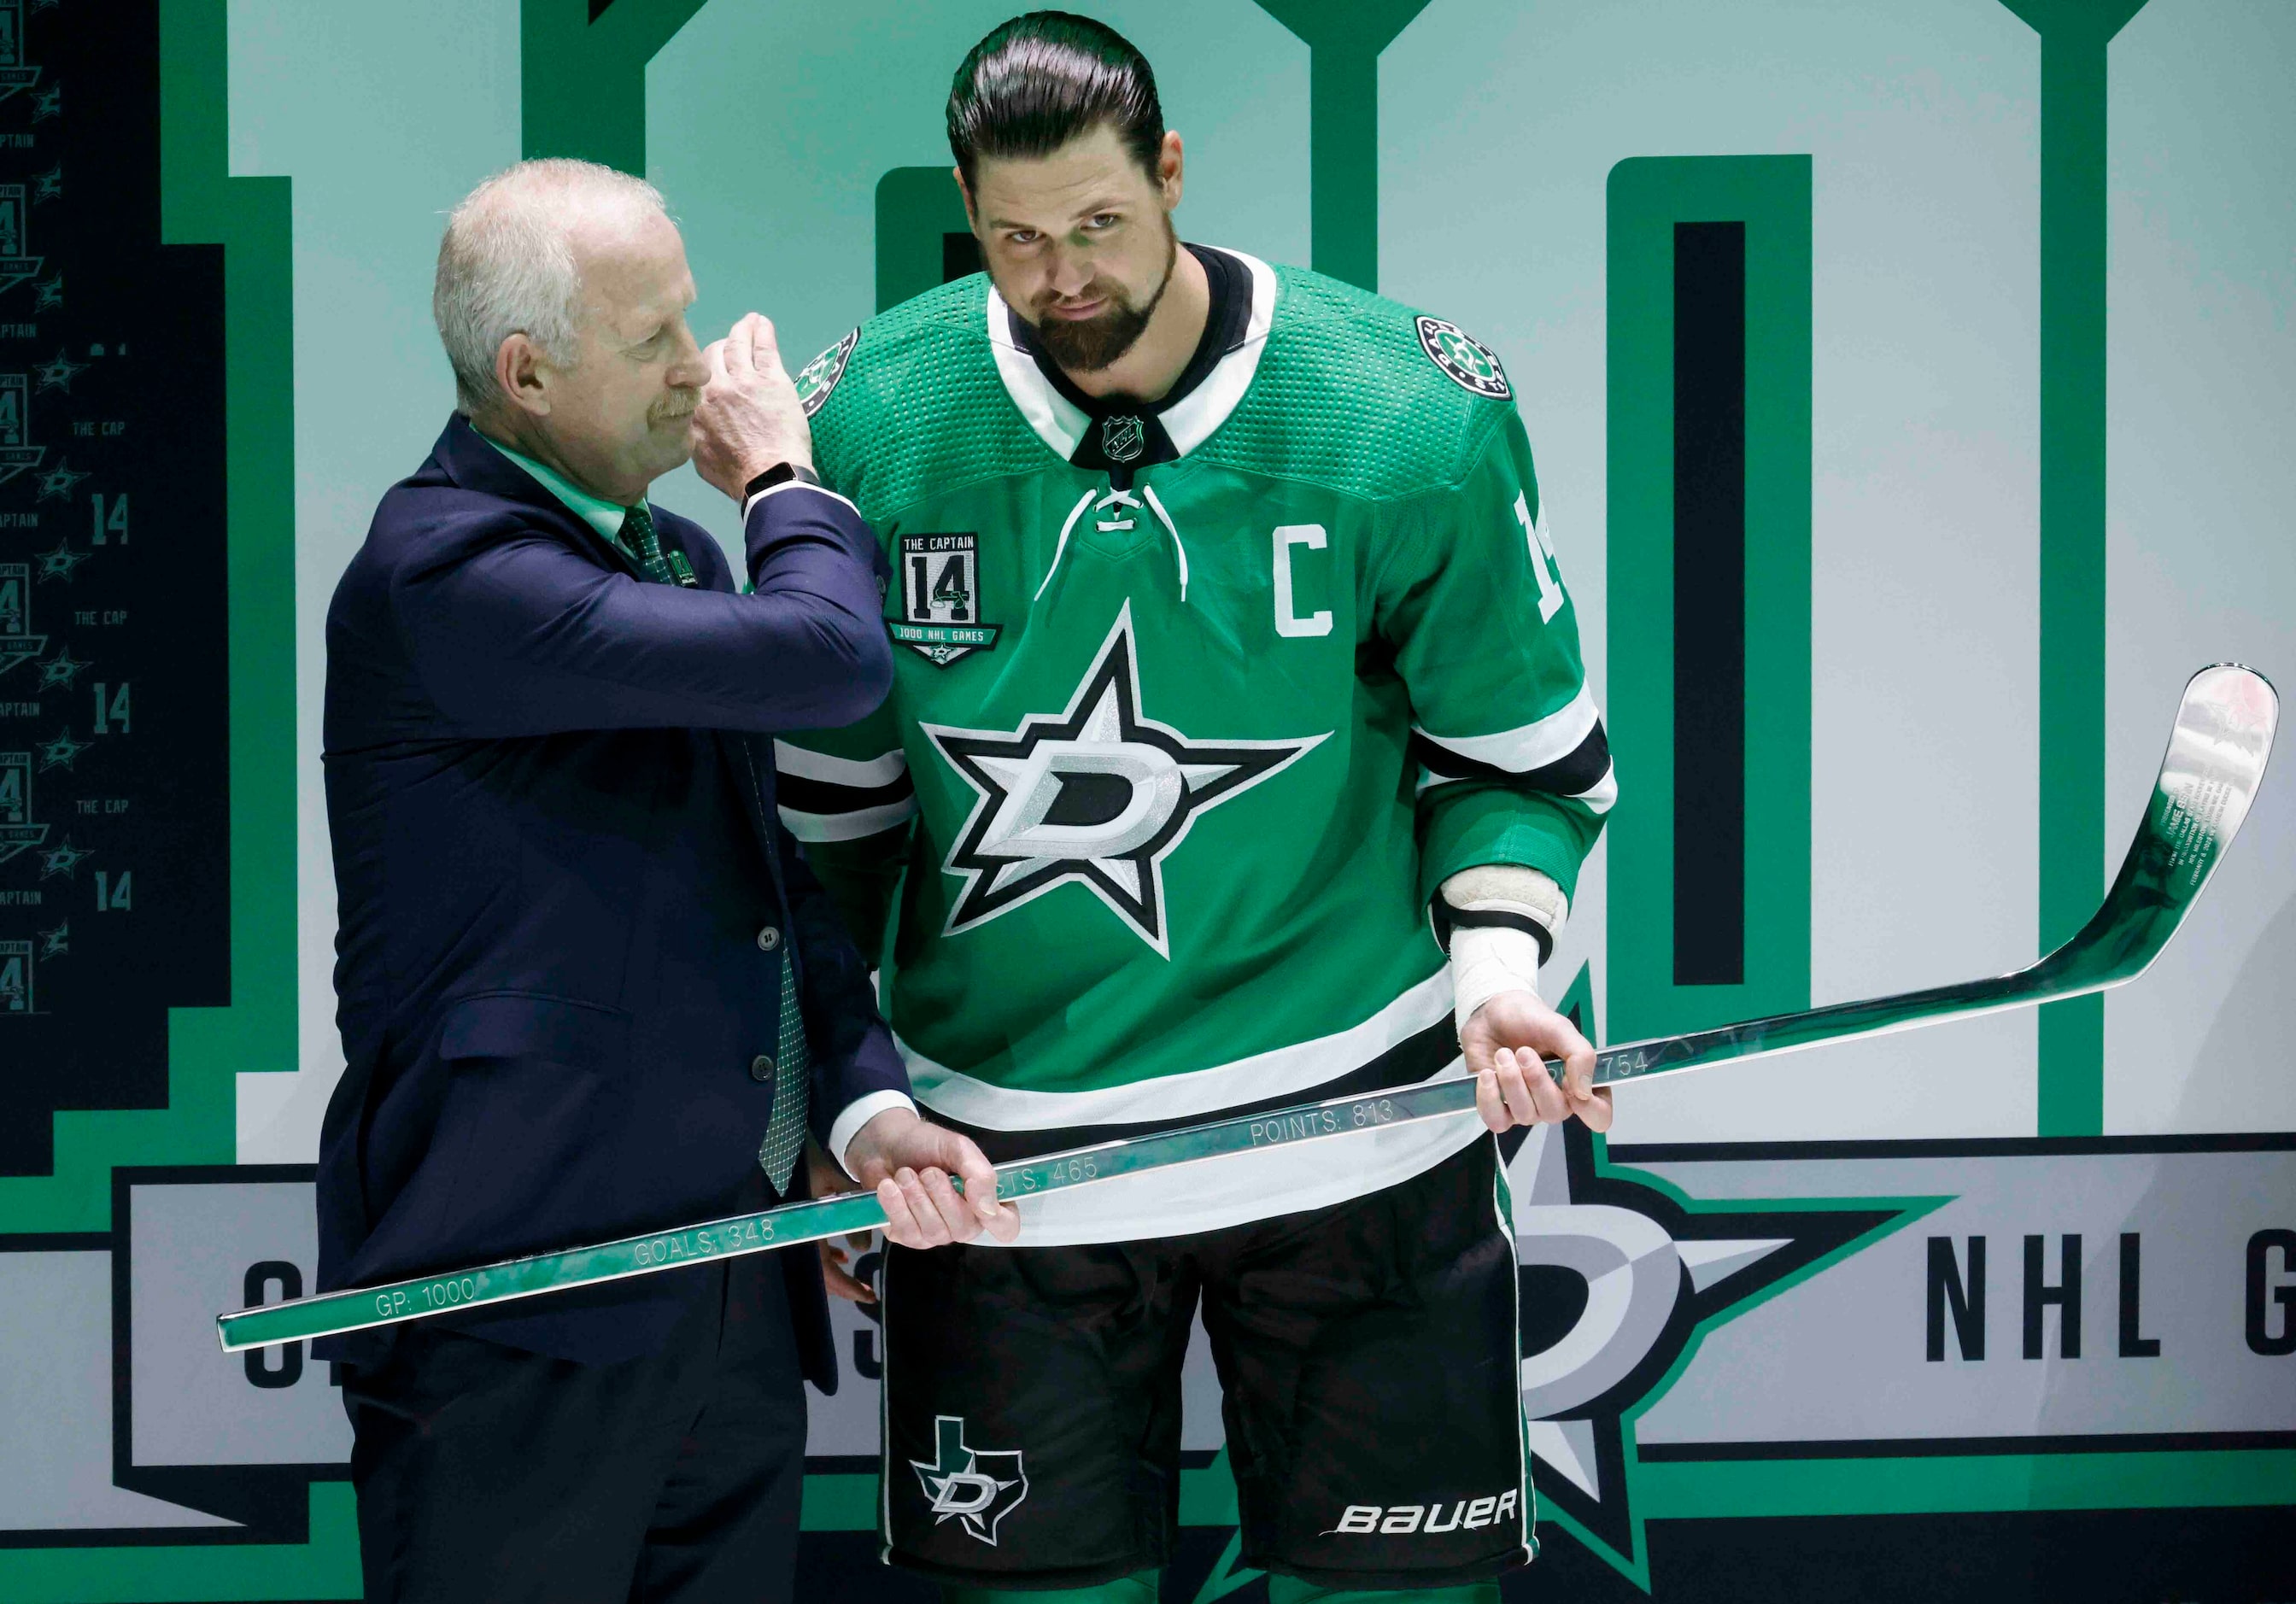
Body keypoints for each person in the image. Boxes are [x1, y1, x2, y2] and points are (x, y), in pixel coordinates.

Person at [779, 14, 1616, 1601]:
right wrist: (839, 1101)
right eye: (1017, 237)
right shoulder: (870, 424)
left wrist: (1498, 980)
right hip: (1004, 1176)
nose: (1063, 276)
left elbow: (1521, 768)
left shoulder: (1402, 415)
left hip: (1363, 1133)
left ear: (1171, 172)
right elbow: (826, 841)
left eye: (1100, 222)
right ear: (969, 214)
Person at [315, 157, 1016, 1604]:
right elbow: (833, 660)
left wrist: (864, 1103)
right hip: (523, 1308)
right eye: (651, 339)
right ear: (525, 372)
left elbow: (768, 886)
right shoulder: (442, 574)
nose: (698, 371)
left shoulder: (680, 564)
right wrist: (783, 480)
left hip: (731, 1292)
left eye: (686, 321)